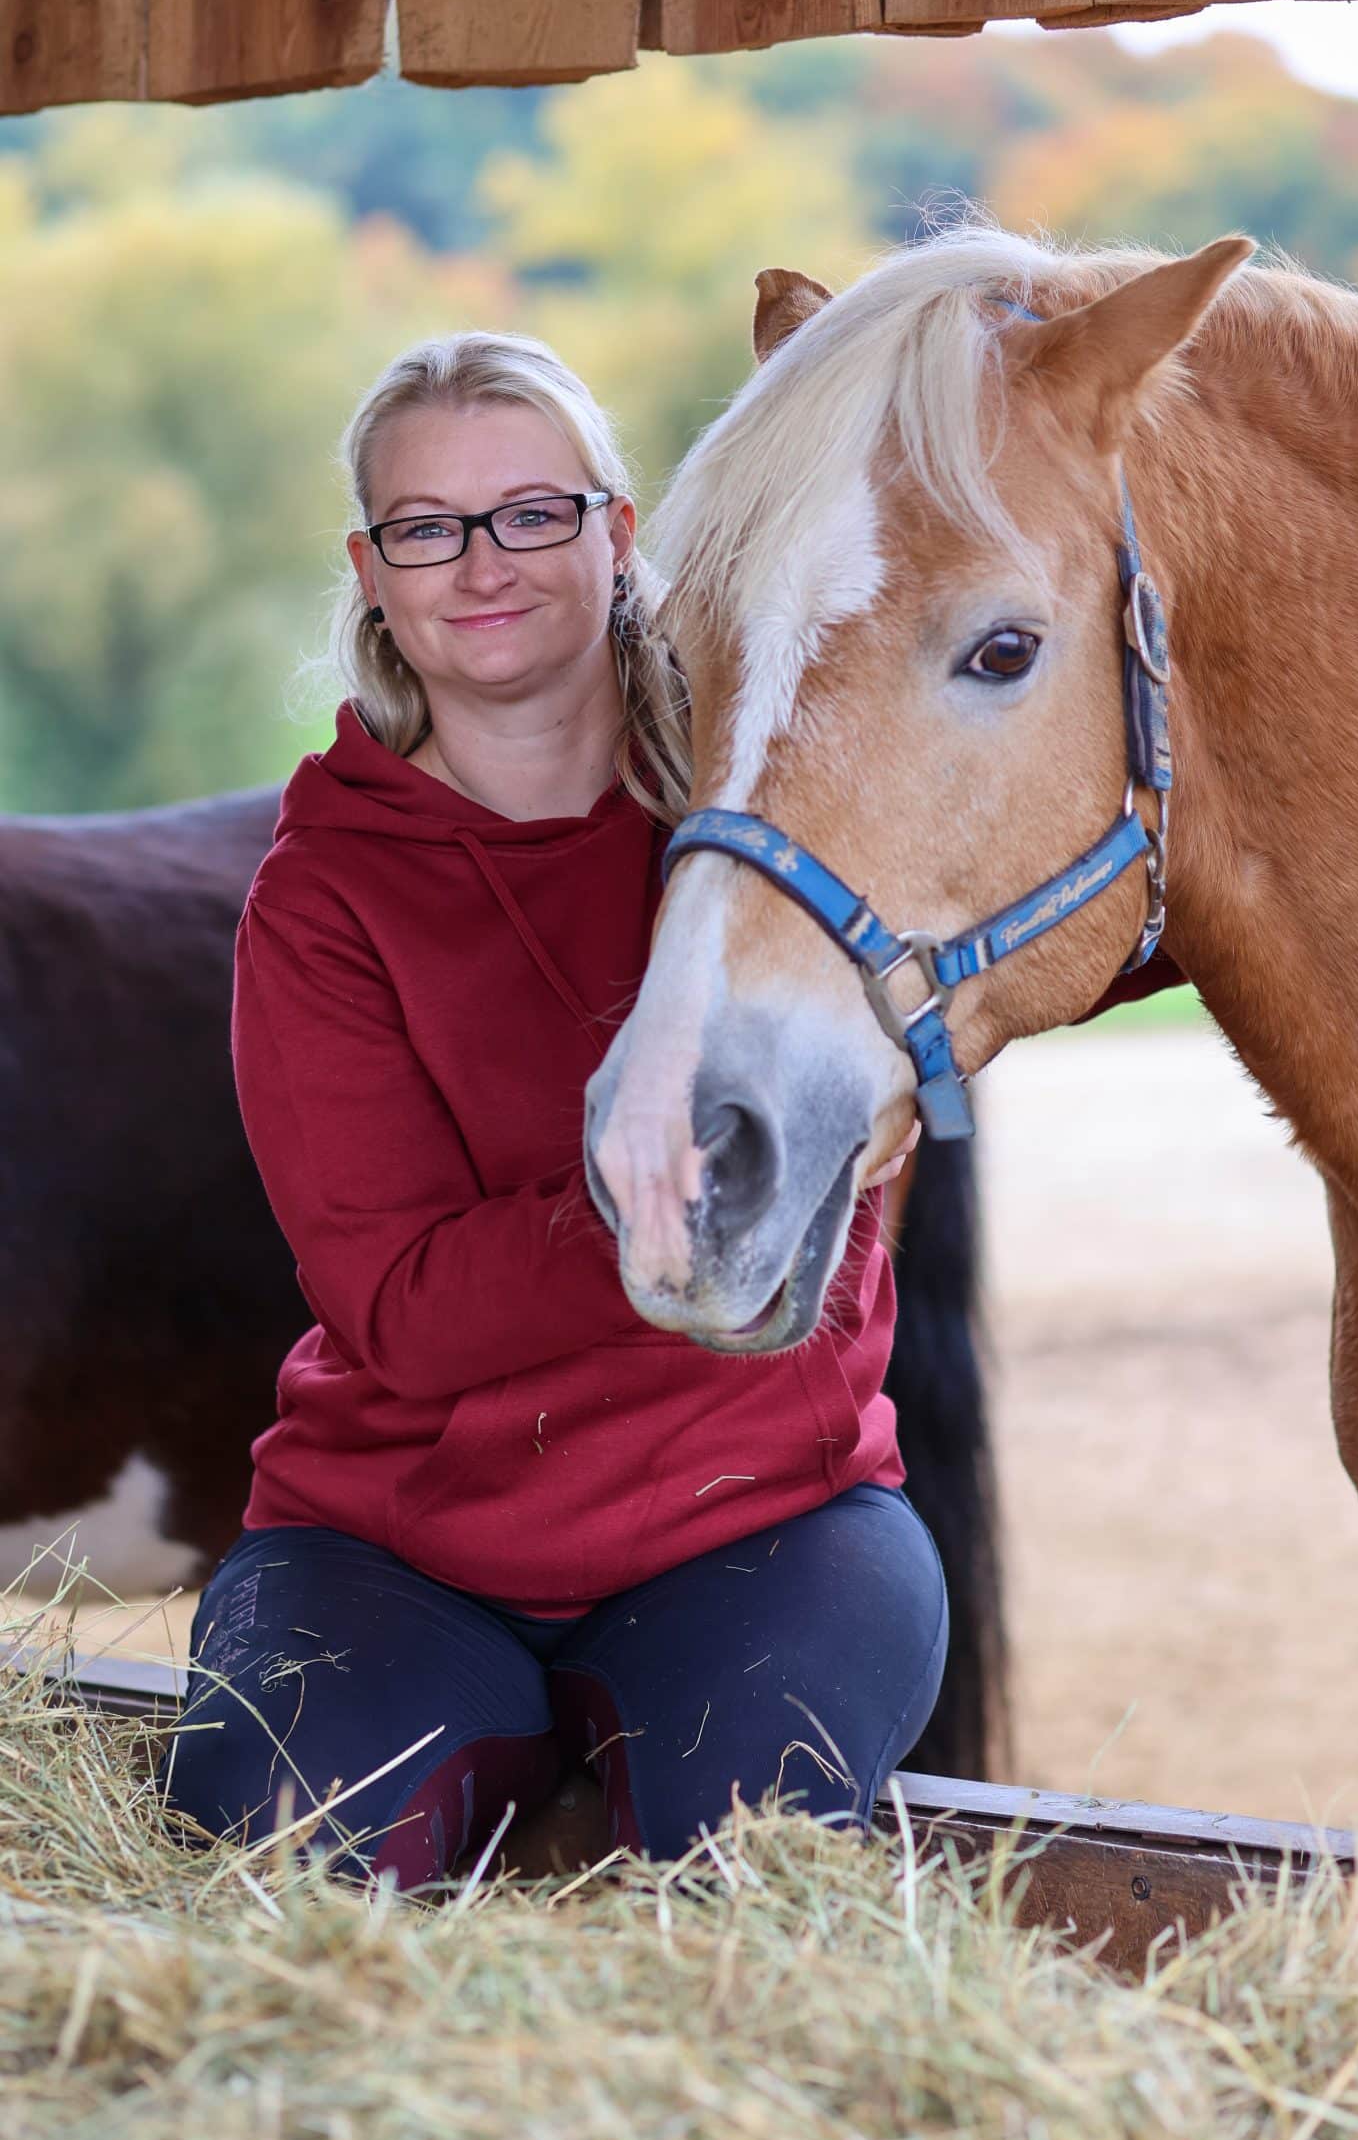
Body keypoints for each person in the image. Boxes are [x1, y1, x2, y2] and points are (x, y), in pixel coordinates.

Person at [161, 333, 946, 1889]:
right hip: (396, 1541)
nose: (481, 564)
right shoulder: (323, 899)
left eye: (532, 512)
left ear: (617, 530)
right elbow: (404, 1312)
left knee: (754, 1877)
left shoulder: (775, 845)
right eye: (426, 528)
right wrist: (683, 1199)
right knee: (269, 1864)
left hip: (766, 1516)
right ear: (372, 572)